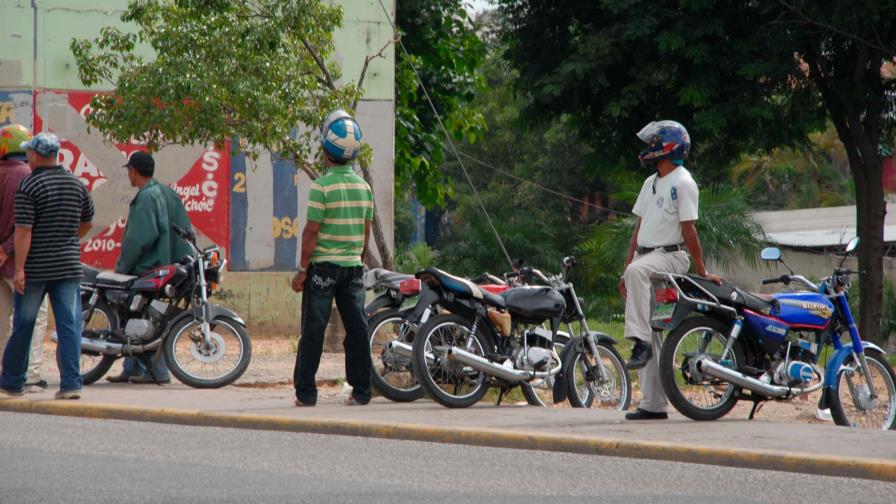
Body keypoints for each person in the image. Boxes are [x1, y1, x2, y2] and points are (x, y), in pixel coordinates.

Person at [619, 120, 722, 420]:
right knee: (653, 332)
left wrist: (702, 270)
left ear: (668, 148)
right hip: (646, 260)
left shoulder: (683, 183)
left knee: (643, 327)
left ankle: (637, 341)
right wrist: (627, 267)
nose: (648, 148)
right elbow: (639, 228)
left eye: (654, 143)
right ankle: (653, 405)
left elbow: (689, 230)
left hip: (672, 257)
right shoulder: (650, 182)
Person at [0, 132, 94, 399]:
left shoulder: (29, 186)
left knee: (24, 323)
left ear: (37, 156)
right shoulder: (76, 184)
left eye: (30, 153)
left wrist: (19, 269)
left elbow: (23, 231)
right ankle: (71, 385)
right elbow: (87, 221)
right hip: (68, 267)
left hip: (36, 269)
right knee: (69, 326)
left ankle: (13, 381)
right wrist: (68, 237)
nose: (27, 157)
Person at [291, 109, 373, 407]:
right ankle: (362, 392)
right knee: (358, 329)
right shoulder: (364, 188)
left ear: (326, 150)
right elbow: (365, 234)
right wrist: (357, 258)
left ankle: (306, 394)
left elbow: (311, 232)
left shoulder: (321, 187)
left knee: (313, 329)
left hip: (323, 269)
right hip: (353, 270)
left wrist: (302, 271)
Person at [105, 151, 193, 385]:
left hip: (149, 269)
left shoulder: (146, 197)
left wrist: (123, 268)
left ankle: (157, 371)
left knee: (139, 316)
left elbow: (138, 239)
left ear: (133, 171)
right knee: (145, 317)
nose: (129, 175)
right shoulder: (168, 193)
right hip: (170, 269)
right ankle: (131, 368)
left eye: (129, 171)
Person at [0, 124, 49, 392]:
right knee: (34, 316)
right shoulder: (27, 176)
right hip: (19, 262)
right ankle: (29, 374)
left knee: (2, 317)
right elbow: (25, 224)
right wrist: (7, 248)